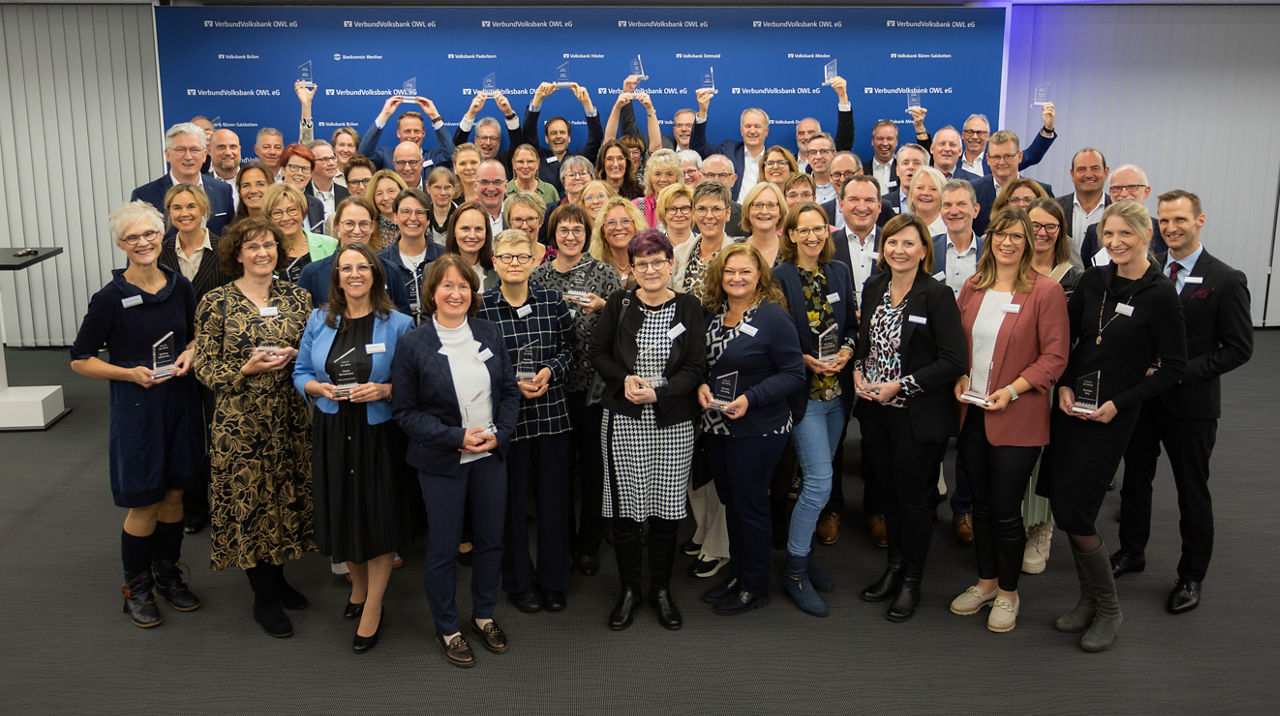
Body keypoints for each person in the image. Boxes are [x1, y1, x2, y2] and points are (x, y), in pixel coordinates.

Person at [1042, 200, 1187, 652]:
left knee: (1081, 512)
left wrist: (1118, 405)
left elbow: (1173, 368)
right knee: (1064, 507)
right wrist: (1063, 385)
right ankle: (1089, 600)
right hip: (1071, 409)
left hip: (1111, 418)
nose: (1115, 243)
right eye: (1108, 235)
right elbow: (1067, 342)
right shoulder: (1095, 281)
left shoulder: (1160, 293)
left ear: (1147, 235)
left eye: (1125, 234)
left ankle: (1109, 608)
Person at [1113, 190, 1252, 614]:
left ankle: (1191, 575)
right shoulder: (1146, 272)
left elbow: (1238, 348)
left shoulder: (1225, 279)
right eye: (1165, 221)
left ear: (1200, 221)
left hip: (1190, 406)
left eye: (1181, 220)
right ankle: (1131, 552)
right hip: (1142, 402)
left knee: (1192, 490)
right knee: (1136, 481)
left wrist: (1177, 372)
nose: (1172, 228)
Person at [70, 201, 204, 628]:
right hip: (137, 408)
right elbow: (80, 359)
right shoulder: (109, 298)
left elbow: (197, 335)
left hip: (180, 401)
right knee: (145, 500)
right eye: (133, 238)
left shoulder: (179, 286)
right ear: (120, 244)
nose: (143, 243)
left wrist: (190, 353)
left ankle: (167, 574)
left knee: (175, 494)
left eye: (149, 235)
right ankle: (137, 587)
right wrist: (127, 374)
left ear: (161, 236)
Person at [392, 254, 521, 669]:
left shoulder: (488, 332)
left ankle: (484, 615)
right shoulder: (414, 343)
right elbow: (406, 413)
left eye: (463, 285)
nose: (455, 292)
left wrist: (499, 434)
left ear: (473, 293)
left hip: (489, 455)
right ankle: (447, 626)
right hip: (442, 460)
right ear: (431, 293)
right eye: (446, 285)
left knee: (491, 540)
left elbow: (509, 393)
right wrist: (456, 437)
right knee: (444, 547)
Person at [947, 207, 1069, 633]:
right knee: (980, 507)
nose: (1007, 242)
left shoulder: (1045, 291)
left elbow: (1054, 357)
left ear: (1029, 242)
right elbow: (957, 344)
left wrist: (1013, 389)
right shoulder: (974, 286)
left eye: (1017, 236)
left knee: (1004, 510)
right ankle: (985, 583)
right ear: (990, 238)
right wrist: (960, 374)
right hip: (972, 413)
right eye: (1001, 234)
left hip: (1017, 415)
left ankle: (1008, 594)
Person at [193, 217, 316, 638]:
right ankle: (262, 595)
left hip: (289, 416)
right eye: (252, 247)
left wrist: (297, 352)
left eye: (268, 245)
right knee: (251, 501)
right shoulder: (216, 302)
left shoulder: (297, 297)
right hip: (240, 421)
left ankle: (278, 578)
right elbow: (205, 368)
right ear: (237, 254)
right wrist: (243, 368)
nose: (262, 253)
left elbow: (314, 354)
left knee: (283, 497)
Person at [293, 242, 416, 652]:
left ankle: (374, 607)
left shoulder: (398, 323)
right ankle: (358, 588)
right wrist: (316, 387)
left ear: (375, 274)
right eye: (346, 268)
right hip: (332, 428)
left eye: (363, 267)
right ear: (337, 277)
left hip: (377, 434)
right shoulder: (318, 319)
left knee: (377, 515)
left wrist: (383, 389)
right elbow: (301, 371)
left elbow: (415, 383)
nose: (354, 275)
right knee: (345, 512)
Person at [587, 230, 707, 630]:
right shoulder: (620, 304)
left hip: (672, 422)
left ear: (670, 262)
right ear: (633, 268)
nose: (651, 270)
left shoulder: (689, 307)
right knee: (625, 511)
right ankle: (628, 590)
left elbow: (695, 365)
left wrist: (661, 394)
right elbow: (599, 353)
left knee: (666, 510)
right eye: (642, 263)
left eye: (658, 261)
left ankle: (659, 589)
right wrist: (624, 380)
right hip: (623, 419)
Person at [853, 213, 966, 622]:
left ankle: (912, 581)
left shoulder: (936, 295)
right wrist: (858, 370)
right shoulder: (874, 286)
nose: (899, 250)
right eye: (892, 243)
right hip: (875, 412)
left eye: (908, 243)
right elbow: (867, 344)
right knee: (887, 495)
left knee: (914, 502)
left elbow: (953, 360)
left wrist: (901, 385)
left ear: (923, 250)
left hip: (916, 416)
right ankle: (894, 568)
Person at [697, 243, 806, 615]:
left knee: (750, 506)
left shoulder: (774, 317)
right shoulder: (712, 313)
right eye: (730, 271)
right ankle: (739, 573)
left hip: (758, 428)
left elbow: (794, 373)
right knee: (732, 502)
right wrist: (700, 384)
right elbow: (701, 362)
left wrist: (752, 398)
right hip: (717, 426)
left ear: (760, 274)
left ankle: (754, 585)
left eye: (745, 271)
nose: (737, 278)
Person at [479, 229, 576, 613]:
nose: (515, 263)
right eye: (507, 257)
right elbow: (475, 363)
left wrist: (551, 370)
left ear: (535, 260)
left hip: (552, 416)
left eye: (522, 256)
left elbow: (571, 349)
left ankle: (555, 580)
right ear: (495, 261)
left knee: (554, 504)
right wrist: (509, 384)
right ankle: (519, 581)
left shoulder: (553, 301)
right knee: (512, 507)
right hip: (506, 421)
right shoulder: (481, 308)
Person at [771, 203, 858, 616]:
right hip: (804, 396)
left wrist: (847, 350)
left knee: (815, 481)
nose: (811, 237)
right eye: (802, 231)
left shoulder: (839, 271)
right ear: (789, 235)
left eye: (817, 229)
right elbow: (773, 333)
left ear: (827, 231)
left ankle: (801, 555)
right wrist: (803, 359)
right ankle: (794, 569)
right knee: (820, 485)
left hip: (837, 394)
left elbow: (853, 328)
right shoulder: (779, 276)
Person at [530, 204, 623, 577]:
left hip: (594, 389)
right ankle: (561, 542)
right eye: (564, 230)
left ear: (588, 234)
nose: (571, 236)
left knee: (594, 468)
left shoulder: (604, 274)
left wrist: (605, 308)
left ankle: (589, 544)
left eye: (578, 230)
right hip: (551, 388)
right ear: (552, 236)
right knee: (556, 472)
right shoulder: (538, 277)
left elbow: (625, 325)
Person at [1019, 197, 1084, 574]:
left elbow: (1078, 338)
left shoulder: (1074, 278)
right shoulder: (1010, 267)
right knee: (1011, 458)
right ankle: (1013, 521)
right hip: (1008, 380)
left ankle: (1041, 529)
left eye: (1051, 227)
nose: (1042, 233)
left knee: (1045, 458)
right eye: (1035, 225)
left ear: (1061, 232)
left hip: (1050, 383)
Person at [159, 183, 229, 534]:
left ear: (204, 208)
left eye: (190, 206)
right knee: (184, 433)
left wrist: (200, 342)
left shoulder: (224, 249)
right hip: (171, 354)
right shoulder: (158, 251)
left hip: (218, 351)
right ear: (168, 213)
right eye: (176, 208)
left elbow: (234, 301)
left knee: (218, 430)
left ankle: (225, 503)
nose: (184, 213)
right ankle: (193, 504)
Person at [298, 196, 410, 314]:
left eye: (363, 224)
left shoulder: (390, 270)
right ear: (337, 225)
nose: (357, 231)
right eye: (349, 223)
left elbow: (403, 323)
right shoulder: (313, 273)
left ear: (372, 226)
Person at [131, 122, 234, 235]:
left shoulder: (223, 190)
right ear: (167, 155)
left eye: (194, 150)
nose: (188, 157)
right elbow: (136, 246)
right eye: (180, 150)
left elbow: (231, 239)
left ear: (204, 155)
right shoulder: (145, 197)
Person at [521, 82, 603, 194]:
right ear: (546, 139)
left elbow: (596, 137)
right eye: (553, 133)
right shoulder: (538, 158)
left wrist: (587, 103)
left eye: (562, 132)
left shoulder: (579, 158)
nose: (558, 137)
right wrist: (537, 99)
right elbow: (528, 130)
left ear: (569, 138)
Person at [379, 188, 446, 323]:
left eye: (420, 212)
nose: (413, 218)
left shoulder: (445, 257)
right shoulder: (381, 262)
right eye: (406, 211)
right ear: (395, 216)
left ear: (428, 219)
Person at [971, 131, 1055, 237]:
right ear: (988, 159)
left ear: (1019, 156)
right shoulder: (972, 190)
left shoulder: (1042, 192)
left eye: (1008, 156)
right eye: (996, 157)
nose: (1002, 162)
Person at [672, 180, 738, 298]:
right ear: (693, 213)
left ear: (728, 213)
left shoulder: (738, 254)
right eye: (702, 209)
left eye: (716, 209)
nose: (709, 216)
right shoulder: (678, 254)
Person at [261, 183, 338, 284]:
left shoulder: (330, 245)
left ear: (302, 211)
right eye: (277, 213)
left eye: (292, 210)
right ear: (269, 217)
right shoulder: (264, 252)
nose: (286, 218)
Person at [357, 98, 455, 172]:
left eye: (416, 131)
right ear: (398, 133)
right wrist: (384, 115)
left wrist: (435, 116)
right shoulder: (385, 156)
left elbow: (453, 157)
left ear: (423, 133)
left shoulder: (433, 157)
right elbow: (363, 156)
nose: (412, 136)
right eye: (407, 131)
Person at [1055, 147, 1111, 266]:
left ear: (1106, 172)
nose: (1089, 175)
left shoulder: (1117, 210)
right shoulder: (1055, 208)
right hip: (1062, 280)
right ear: (1072, 174)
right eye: (1081, 169)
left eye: (1095, 168)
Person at [590, 196, 648, 284]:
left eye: (625, 221)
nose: (619, 227)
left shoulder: (650, 265)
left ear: (636, 226)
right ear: (602, 231)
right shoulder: (593, 269)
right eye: (611, 222)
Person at [445, 201, 500, 291]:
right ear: (454, 231)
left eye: (478, 229)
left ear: (487, 232)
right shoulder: (434, 270)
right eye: (465, 229)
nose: (472, 236)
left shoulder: (498, 269)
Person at [278, 144, 327, 233]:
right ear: (283, 170)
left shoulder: (316, 205)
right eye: (294, 167)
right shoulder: (271, 201)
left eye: (305, 169)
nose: (300, 173)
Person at [740, 182, 787, 267]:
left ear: (780, 212)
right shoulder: (735, 250)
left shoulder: (791, 250)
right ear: (748, 210)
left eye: (771, 205)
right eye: (757, 205)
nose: (764, 212)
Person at [635, 149, 681, 229]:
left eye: (669, 174)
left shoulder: (686, 206)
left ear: (677, 178)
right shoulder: (638, 206)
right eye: (657, 174)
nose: (663, 179)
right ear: (649, 177)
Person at [369, 170, 409, 250]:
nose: (386, 198)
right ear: (373, 198)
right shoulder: (369, 230)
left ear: (402, 192)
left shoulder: (416, 222)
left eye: (391, 191)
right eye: (379, 193)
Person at [908, 166, 946, 237]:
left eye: (933, 189)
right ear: (911, 193)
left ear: (943, 196)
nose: (925, 193)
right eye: (920, 188)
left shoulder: (950, 230)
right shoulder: (902, 228)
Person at [425, 166, 459, 246]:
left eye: (447, 188)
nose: (443, 193)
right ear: (428, 188)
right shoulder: (421, 217)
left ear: (454, 189)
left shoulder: (462, 216)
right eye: (437, 187)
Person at [656, 183, 695, 249]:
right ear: (663, 213)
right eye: (672, 209)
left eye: (685, 208)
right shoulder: (653, 247)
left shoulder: (705, 245)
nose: (679, 215)